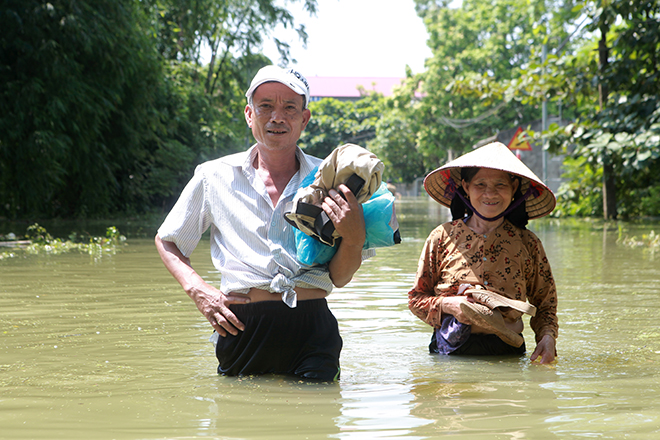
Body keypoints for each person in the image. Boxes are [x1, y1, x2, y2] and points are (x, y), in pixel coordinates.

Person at [155, 65, 371, 381]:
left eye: (289, 108)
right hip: (240, 324)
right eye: (265, 106)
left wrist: (353, 239)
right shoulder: (213, 176)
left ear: (304, 119)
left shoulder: (331, 179)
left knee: (317, 422)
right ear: (249, 114)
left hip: (312, 326)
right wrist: (199, 290)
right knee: (240, 423)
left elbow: (340, 278)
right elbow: (168, 240)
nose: (276, 117)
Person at [408, 141, 559, 364]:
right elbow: (416, 299)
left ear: (514, 188)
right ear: (466, 187)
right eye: (480, 184)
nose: (490, 193)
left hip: (507, 352)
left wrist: (547, 338)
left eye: (500, 185)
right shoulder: (441, 237)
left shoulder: (528, 243)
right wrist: (450, 305)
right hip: (449, 353)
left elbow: (545, 304)